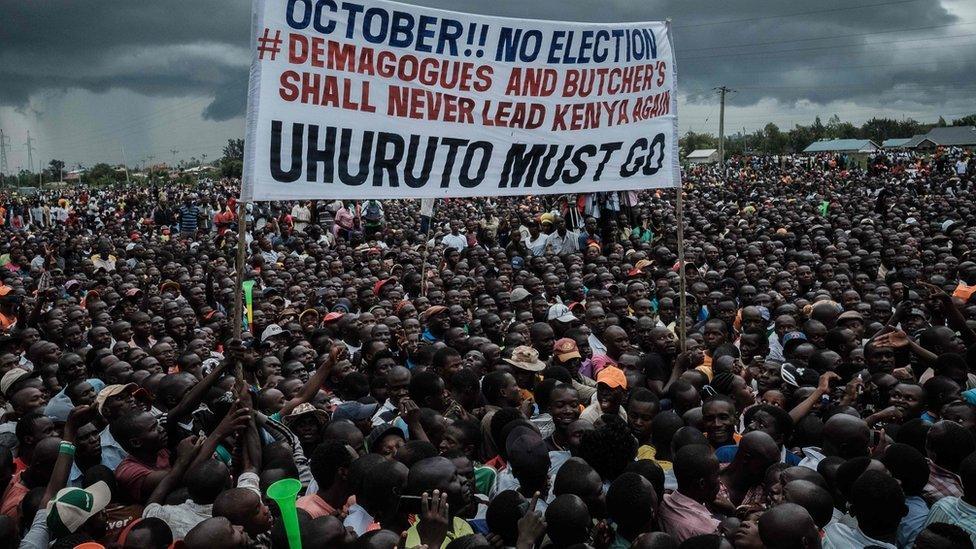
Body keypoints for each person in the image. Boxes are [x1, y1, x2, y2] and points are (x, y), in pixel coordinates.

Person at [659, 445, 721, 542]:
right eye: (717, 475)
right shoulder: (706, 530)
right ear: (702, 483)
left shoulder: (664, 503)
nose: (720, 480)